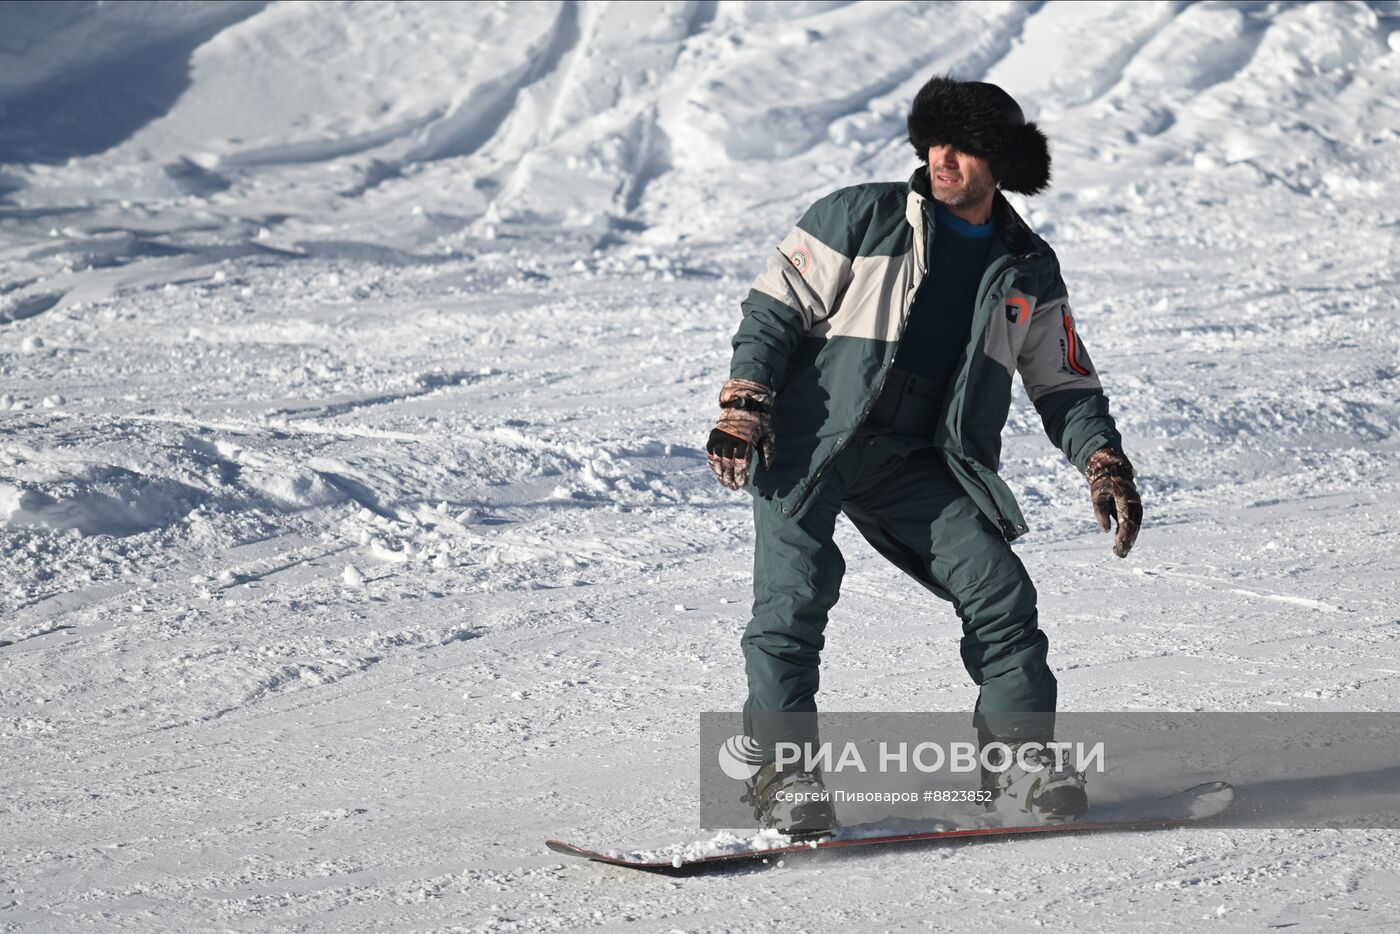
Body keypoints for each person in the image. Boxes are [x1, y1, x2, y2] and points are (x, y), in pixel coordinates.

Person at [707, 75, 1143, 836]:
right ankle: (780, 777)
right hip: (807, 445)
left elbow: (1063, 379)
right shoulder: (858, 216)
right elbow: (773, 311)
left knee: (1001, 593)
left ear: (1000, 160)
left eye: (965, 145)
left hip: (917, 459)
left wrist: (1102, 459)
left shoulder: (1026, 266)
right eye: (935, 141)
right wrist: (746, 403)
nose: (944, 158)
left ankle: (1020, 771)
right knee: (792, 605)